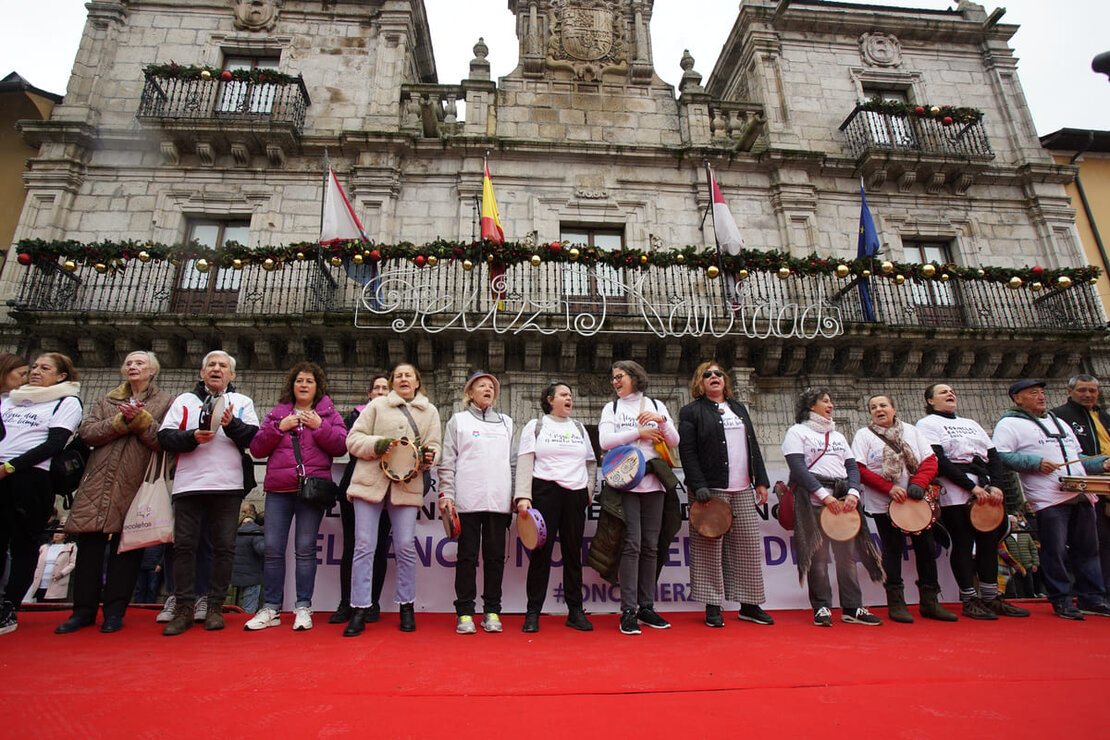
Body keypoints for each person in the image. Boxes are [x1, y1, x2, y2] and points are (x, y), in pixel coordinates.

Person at [55, 350, 174, 634]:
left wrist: (140, 420)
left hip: (136, 480)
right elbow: (88, 433)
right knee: (90, 549)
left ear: (152, 371)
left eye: (140, 363)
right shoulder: (107, 399)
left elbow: (163, 440)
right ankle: (82, 611)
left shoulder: (165, 402)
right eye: (129, 363)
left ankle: (114, 611)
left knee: (127, 548)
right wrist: (120, 422)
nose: (133, 367)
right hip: (99, 479)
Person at [157, 350, 259, 635]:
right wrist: (191, 437)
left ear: (232, 374)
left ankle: (215, 606)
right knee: (184, 546)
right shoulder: (184, 401)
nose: (216, 369)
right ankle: (183, 608)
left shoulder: (242, 402)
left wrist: (232, 425)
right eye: (211, 365)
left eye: (223, 366)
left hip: (228, 485)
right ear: (202, 373)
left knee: (224, 547)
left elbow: (255, 439)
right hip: (189, 485)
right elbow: (164, 436)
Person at [993, 379, 1110, 619]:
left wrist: (1101, 463)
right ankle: (1061, 599)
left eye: (1042, 392)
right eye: (1033, 393)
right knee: (1055, 551)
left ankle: (1092, 597)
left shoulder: (1058, 421)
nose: (1041, 396)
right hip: (1049, 498)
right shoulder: (1009, 423)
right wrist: (1035, 463)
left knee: (1088, 550)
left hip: (1081, 492)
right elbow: (1000, 455)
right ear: (1018, 398)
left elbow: (1077, 456)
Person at [246, 361, 348, 631]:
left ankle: (303, 606)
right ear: (292, 385)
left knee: (305, 550)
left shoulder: (328, 415)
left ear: (318, 387)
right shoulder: (276, 414)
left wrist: (319, 427)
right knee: (272, 549)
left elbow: (340, 446)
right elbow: (256, 448)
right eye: (299, 380)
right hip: (279, 490)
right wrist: (279, 428)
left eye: (309, 381)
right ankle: (271, 608)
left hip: (310, 491)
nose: (303, 385)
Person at [916, 383, 1030, 620]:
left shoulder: (971, 424)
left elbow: (994, 457)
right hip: (956, 492)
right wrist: (971, 487)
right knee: (963, 543)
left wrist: (997, 485)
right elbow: (940, 460)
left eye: (951, 391)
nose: (950, 394)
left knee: (988, 542)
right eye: (943, 392)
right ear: (930, 401)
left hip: (986, 488)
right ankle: (969, 598)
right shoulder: (927, 425)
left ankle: (991, 596)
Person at [344, 362, 440, 635]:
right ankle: (360, 608)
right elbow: (353, 440)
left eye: (408, 375)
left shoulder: (429, 411)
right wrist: (377, 445)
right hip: (369, 485)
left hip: (406, 487)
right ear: (392, 382)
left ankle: (406, 606)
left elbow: (435, 446)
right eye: (398, 376)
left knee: (406, 546)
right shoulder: (376, 407)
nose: (403, 379)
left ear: (417, 382)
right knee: (364, 545)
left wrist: (429, 457)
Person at [677, 362, 774, 628]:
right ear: (700, 382)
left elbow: (752, 444)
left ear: (725, 380)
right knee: (708, 547)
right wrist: (698, 485)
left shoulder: (739, 409)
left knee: (747, 547)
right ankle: (712, 605)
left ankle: (749, 604)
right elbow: (687, 452)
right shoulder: (691, 412)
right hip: (711, 488)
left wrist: (761, 481)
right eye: (707, 374)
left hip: (742, 486)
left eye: (718, 373)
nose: (713, 377)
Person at [783, 386, 883, 627]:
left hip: (843, 503)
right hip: (813, 503)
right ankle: (822, 607)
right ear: (810, 406)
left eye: (831, 401)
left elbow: (851, 467)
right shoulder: (797, 432)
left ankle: (853, 607)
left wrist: (852, 493)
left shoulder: (838, 436)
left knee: (846, 557)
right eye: (824, 401)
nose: (830, 405)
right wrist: (822, 495)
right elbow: (798, 468)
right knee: (817, 558)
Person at [852, 394, 956, 623]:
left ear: (893, 408)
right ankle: (896, 603)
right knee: (892, 550)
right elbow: (859, 468)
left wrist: (918, 484)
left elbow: (930, 460)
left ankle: (930, 601)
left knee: (926, 549)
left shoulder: (912, 431)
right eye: (873, 407)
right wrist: (888, 488)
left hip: (916, 502)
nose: (878, 409)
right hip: (885, 505)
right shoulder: (864, 435)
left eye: (883, 405)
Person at [0, 352, 83, 636]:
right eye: (34, 367)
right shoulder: (8, 400)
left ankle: (9, 605)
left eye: (45, 368)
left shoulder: (66, 401)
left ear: (61, 376)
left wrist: (10, 467)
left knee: (23, 543)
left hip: (31, 477)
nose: (35, 371)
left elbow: (55, 443)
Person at [598, 360, 679, 635]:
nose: (615, 381)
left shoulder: (655, 405)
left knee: (651, 546)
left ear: (635, 376)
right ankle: (628, 610)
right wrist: (638, 432)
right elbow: (605, 441)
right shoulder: (613, 407)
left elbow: (674, 440)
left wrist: (661, 422)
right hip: (626, 485)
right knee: (631, 544)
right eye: (613, 378)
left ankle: (647, 606)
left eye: (619, 376)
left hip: (654, 484)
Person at [515, 382, 596, 633]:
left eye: (570, 395)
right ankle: (533, 613)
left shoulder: (580, 428)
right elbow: (525, 461)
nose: (569, 398)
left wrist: (587, 492)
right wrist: (523, 497)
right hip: (545, 491)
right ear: (550, 400)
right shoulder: (536, 426)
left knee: (573, 553)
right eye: (563, 394)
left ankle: (575, 611)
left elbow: (591, 463)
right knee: (542, 553)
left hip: (575, 495)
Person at [438, 372, 514, 634]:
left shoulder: (507, 422)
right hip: (467, 502)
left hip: (499, 503)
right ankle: (465, 613)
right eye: (481, 385)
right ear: (469, 392)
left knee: (494, 559)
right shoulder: (457, 421)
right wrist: (446, 494)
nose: (487, 389)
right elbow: (446, 461)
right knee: (467, 558)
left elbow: (513, 463)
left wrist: (515, 495)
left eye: (491, 386)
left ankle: (492, 611)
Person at [332, 373, 390, 625]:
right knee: (353, 547)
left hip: (388, 487)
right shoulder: (355, 416)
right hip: (355, 487)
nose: (380, 391)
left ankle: (372, 602)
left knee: (378, 548)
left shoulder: (401, 417)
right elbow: (345, 443)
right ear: (369, 394)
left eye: (385, 388)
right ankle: (347, 602)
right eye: (376, 388)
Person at [1051, 374, 1110, 589]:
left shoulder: (1104, 416)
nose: (1087, 395)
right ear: (1070, 392)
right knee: (1097, 545)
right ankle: (1100, 592)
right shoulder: (1058, 417)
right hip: (1086, 489)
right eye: (1082, 390)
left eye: (1092, 391)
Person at [29, 529, 76, 602]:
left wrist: (62, 573)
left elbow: (72, 563)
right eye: (55, 533)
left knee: (53, 602)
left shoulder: (70, 547)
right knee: (40, 600)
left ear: (66, 535)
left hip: (57, 579)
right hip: (42, 578)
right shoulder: (44, 547)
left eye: (60, 533)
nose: (57, 535)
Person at [231, 512, 264, 613]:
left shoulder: (235, 533)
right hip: (252, 578)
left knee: (234, 607)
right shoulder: (256, 533)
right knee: (249, 610)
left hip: (236, 576)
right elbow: (263, 550)